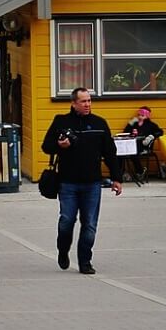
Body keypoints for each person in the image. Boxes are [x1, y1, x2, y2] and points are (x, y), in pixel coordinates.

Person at [41, 88, 123, 275]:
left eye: (89, 101)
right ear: (73, 103)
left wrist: (116, 178)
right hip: (68, 183)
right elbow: (46, 147)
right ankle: (63, 250)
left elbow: (110, 153)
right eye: (83, 101)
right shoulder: (61, 122)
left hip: (92, 184)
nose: (87, 104)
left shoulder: (99, 124)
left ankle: (85, 261)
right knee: (67, 220)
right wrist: (60, 146)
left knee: (90, 224)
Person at [121, 106, 164, 182]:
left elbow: (160, 132)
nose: (140, 117)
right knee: (121, 153)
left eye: (142, 115)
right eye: (139, 115)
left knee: (133, 153)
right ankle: (122, 173)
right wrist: (130, 123)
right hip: (132, 144)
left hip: (144, 146)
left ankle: (140, 171)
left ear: (147, 116)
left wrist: (152, 136)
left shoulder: (151, 125)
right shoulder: (134, 124)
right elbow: (125, 132)